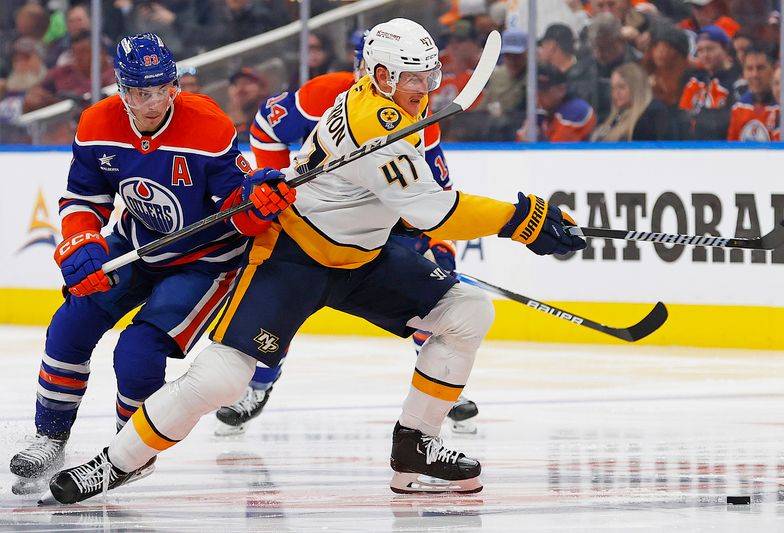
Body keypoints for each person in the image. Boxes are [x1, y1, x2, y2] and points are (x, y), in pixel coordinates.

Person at [46, 18, 586, 504]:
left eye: (429, 76)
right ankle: (114, 463)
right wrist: (524, 217)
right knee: (223, 378)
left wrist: (464, 227)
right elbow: (433, 208)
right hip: (294, 258)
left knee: (467, 312)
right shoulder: (372, 119)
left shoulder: (400, 114)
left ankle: (416, 446)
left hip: (363, 260)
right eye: (412, 78)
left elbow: (420, 199)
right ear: (378, 75)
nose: (426, 89)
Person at [8, 32, 294, 495]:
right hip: (135, 244)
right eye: (142, 91)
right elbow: (83, 196)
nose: (155, 100)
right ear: (121, 90)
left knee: (137, 351)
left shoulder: (208, 124)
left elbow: (239, 209)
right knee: (70, 323)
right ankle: (51, 437)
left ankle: (130, 450)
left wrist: (256, 204)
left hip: (204, 260)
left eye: (164, 88)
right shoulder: (97, 124)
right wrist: (82, 239)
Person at [218, 30, 479, 437]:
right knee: (280, 307)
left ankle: (440, 389)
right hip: (311, 222)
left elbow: (436, 195)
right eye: (362, 67)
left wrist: (436, 243)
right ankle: (258, 385)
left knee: (434, 291)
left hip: (378, 223)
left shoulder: (417, 115)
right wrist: (282, 182)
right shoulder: (327, 94)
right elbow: (268, 125)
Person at [678, 24, 740, 139]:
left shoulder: (736, 81)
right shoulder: (695, 80)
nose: (705, 55)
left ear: (725, 48)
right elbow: (683, 116)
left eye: (710, 49)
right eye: (700, 50)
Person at [591, 62, 674, 141]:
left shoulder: (651, 117)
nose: (616, 93)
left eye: (621, 87)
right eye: (613, 88)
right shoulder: (613, 118)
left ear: (636, 88)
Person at [532, 64, 596, 142]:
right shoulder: (546, 111)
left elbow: (556, 150)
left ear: (561, 90)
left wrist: (535, 139)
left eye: (544, 91)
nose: (538, 95)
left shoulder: (576, 109)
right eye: (537, 91)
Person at [727, 44, 779, 140]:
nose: (754, 74)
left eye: (760, 68)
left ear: (774, 69)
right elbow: (732, 149)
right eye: (749, 68)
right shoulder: (739, 107)